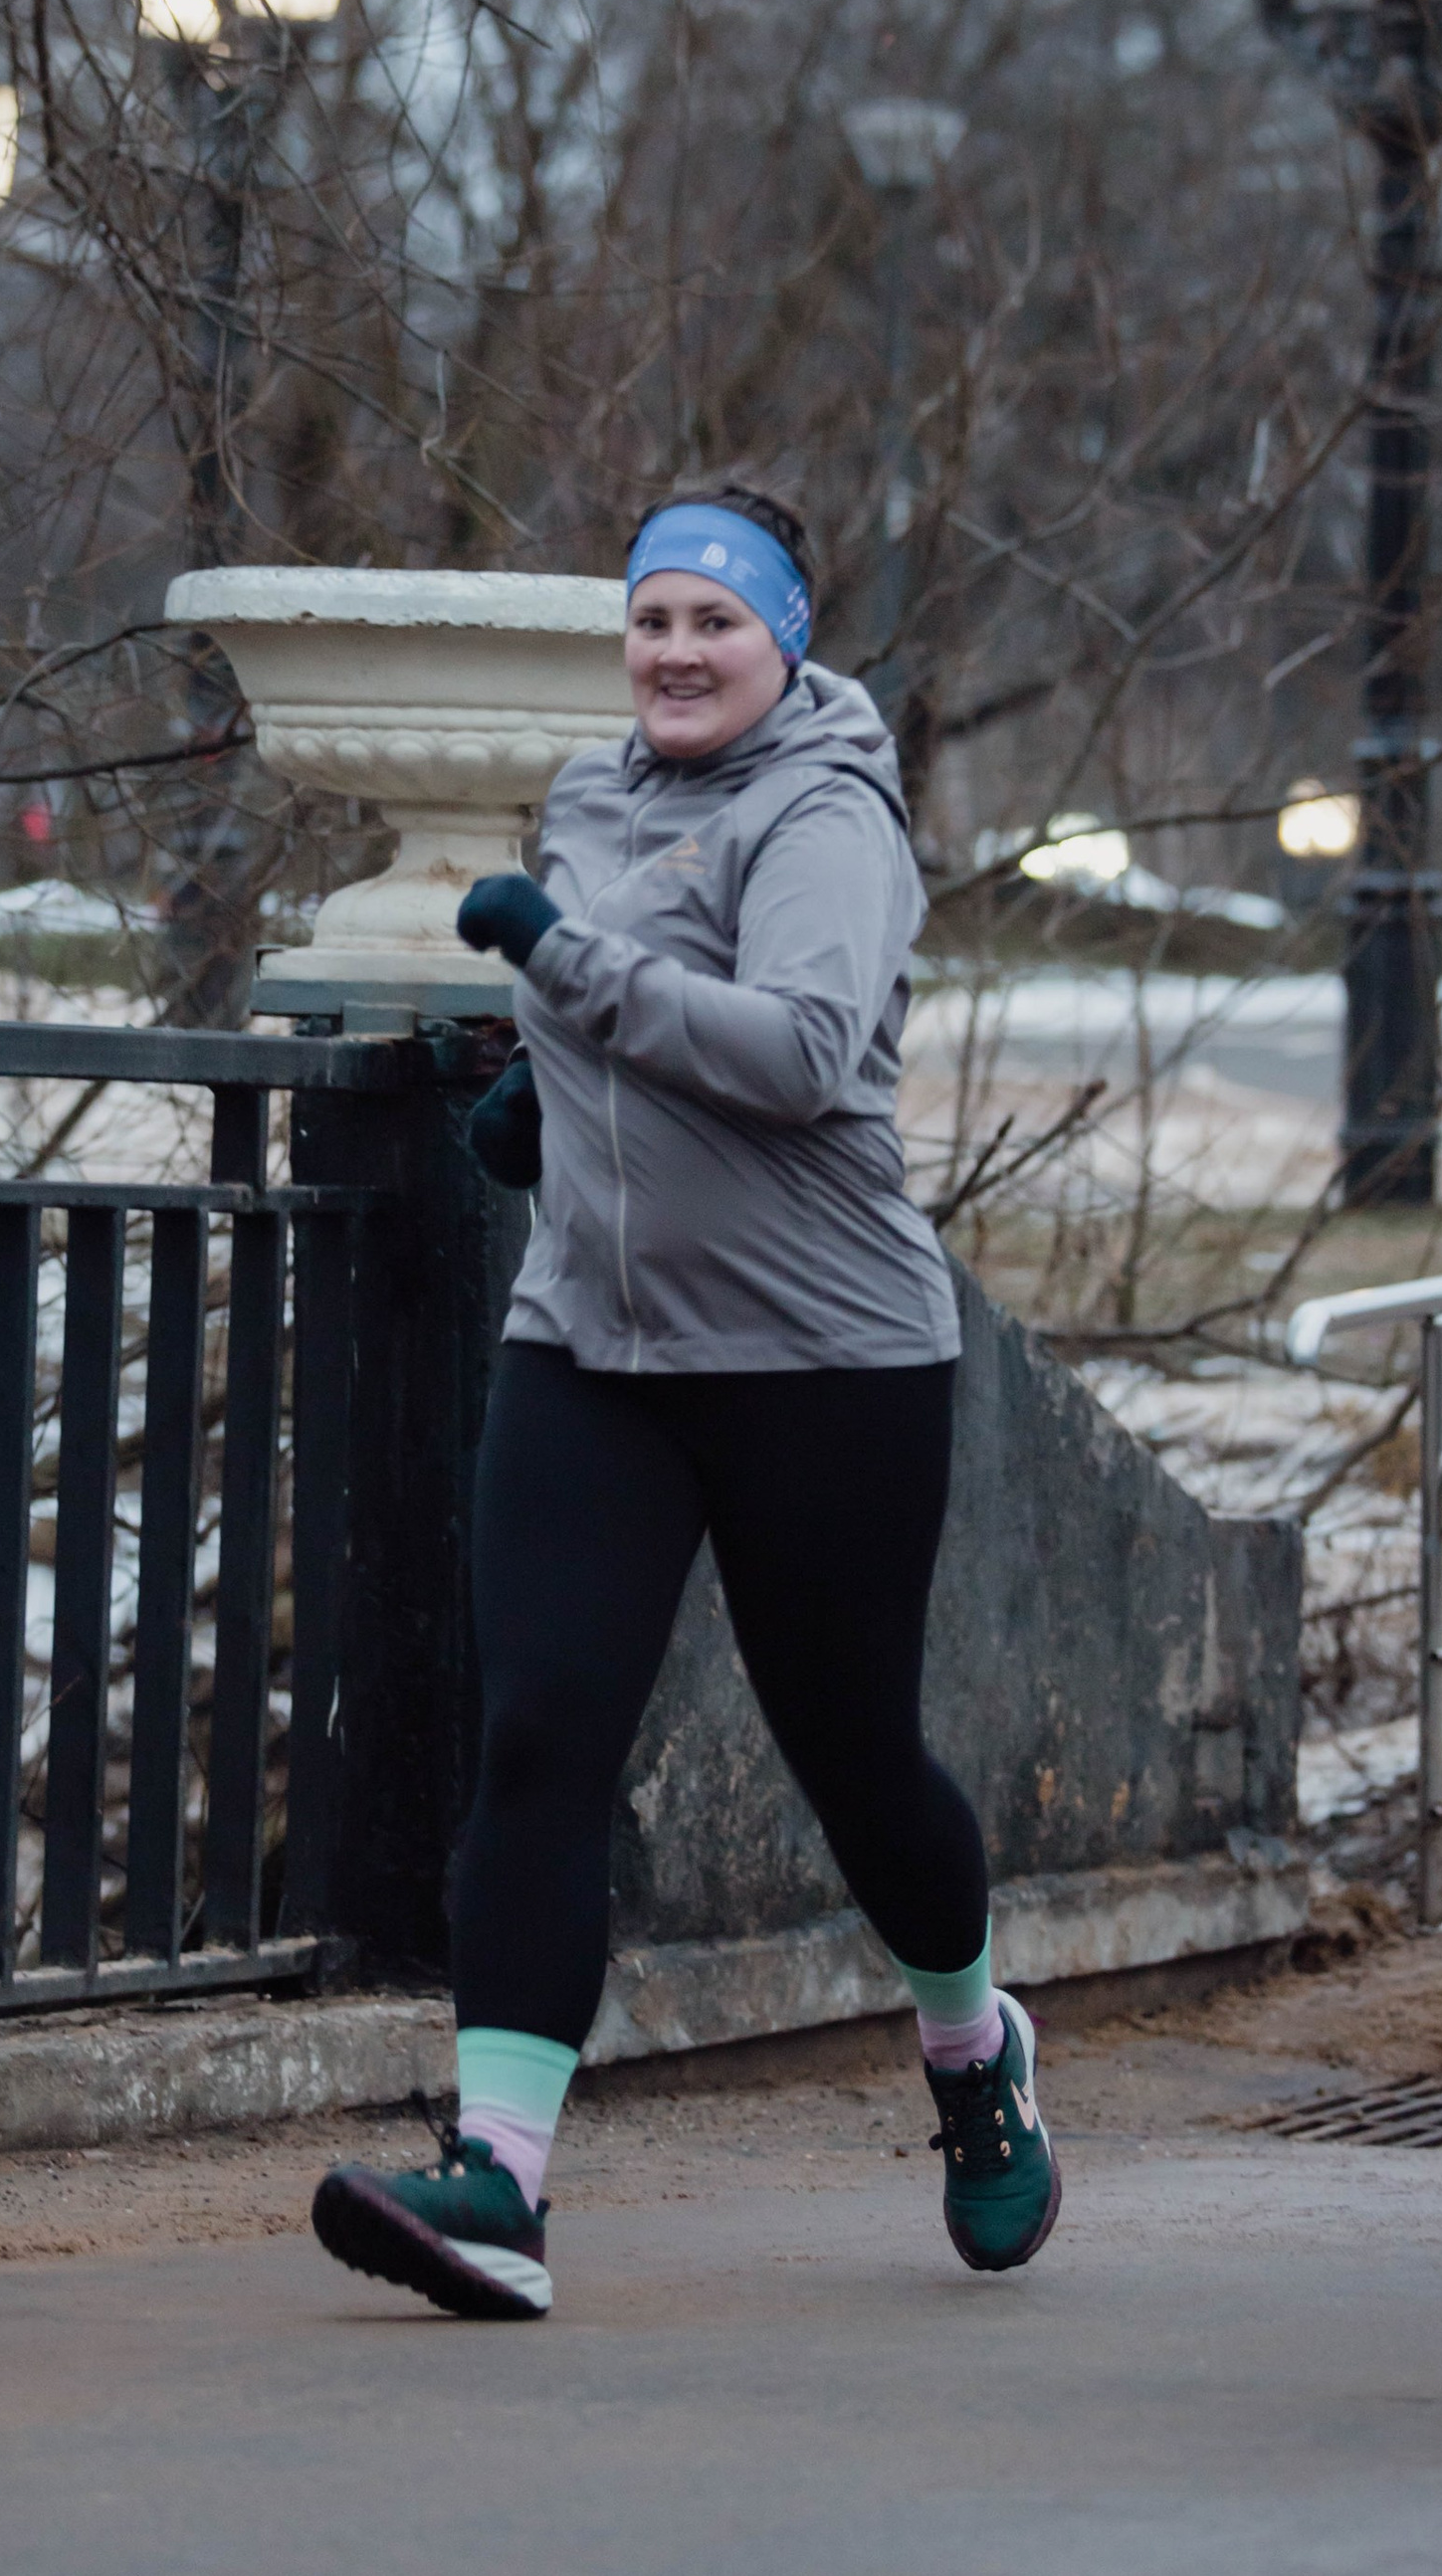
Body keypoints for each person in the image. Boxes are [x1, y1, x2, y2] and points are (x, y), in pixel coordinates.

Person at [309, 483, 1060, 2320]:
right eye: (650, 621)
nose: (674, 653)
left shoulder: (828, 813)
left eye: (713, 622)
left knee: (857, 1763)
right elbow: (621, 1032)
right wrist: (540, 1097)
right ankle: (499, 2187)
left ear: (784, 638)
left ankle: (972, 2049)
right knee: (540, 1737)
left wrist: (565, 964)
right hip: (595, 1349)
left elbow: (803, 1051)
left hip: (826, 1358)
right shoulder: (587, 799)